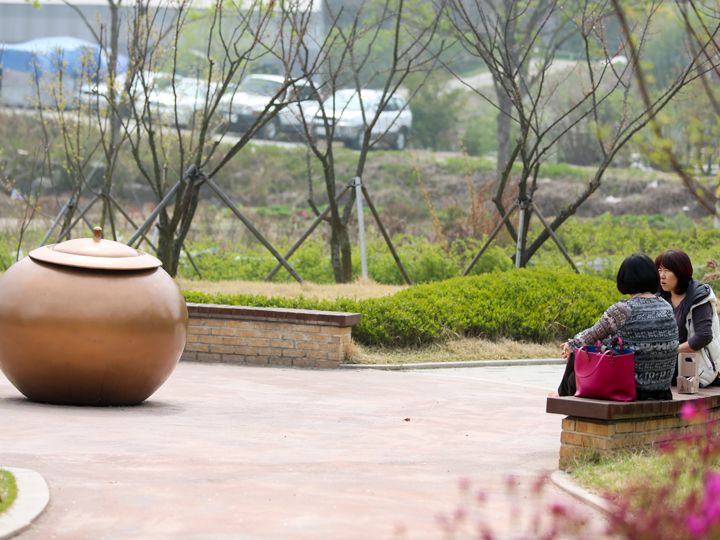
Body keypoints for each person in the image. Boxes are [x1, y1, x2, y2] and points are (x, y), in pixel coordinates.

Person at [557, 254, 679, 400]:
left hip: (631, 388)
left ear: (625, 279)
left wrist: (571, 344)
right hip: (662, 389)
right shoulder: (666, 306)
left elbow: (592, 335)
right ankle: (561, 396)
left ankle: (560, 398)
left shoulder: (623, 309)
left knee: (577, 357)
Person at [656, 249, 720, 387]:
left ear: (680, 272)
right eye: (660, 270)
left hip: (697, 369)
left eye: (667, 271)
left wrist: (669, 350)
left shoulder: (699, 297)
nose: (662, 276)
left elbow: (703, 336)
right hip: (667, 368)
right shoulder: (660, 298)